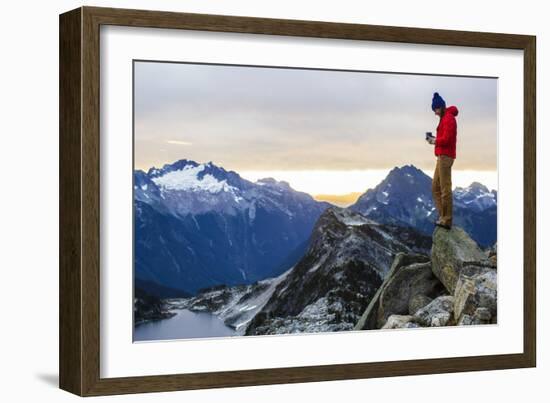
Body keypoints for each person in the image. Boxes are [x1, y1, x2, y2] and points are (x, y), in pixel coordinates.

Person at [427, 92, 459, 230]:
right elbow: (444, 138)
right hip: (441, 156)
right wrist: (434, 140)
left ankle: (446, 220)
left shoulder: (449, 119)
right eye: (434, 110)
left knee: (445, 189)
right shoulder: (444, 118)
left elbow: (447, 139)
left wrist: (434, 141)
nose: (435, 113)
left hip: (446, 157)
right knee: (435, 187)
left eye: (436, 110)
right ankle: (443, 216)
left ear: (441, 107)